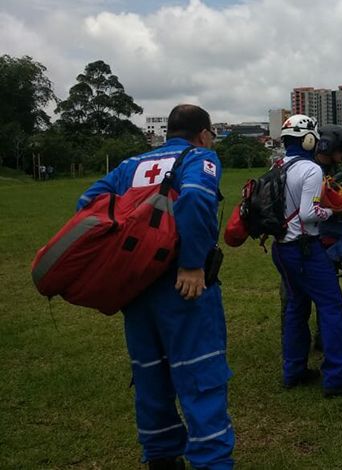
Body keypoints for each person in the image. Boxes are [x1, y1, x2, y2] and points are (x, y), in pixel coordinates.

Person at [76, 104, 234, 469]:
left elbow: (88, 203)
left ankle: (162, 456)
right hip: (182, 286)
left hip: (136, 287)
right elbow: (195, 196)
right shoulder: (198, 158)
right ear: (205, 133)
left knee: (150, 373)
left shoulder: (130, 166)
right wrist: (192, 263)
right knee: (200, 374)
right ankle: (211, 461)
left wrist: (126, 251)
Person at [270, 115, 342, 398]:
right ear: (310, 140)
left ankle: (294, 371)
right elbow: (309, 213)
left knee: (296, 308)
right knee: (332, 307)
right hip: (305, 248)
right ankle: (337, 378)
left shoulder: (277, 166)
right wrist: (332, 212)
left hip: (282, 248)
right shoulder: (311, 170)